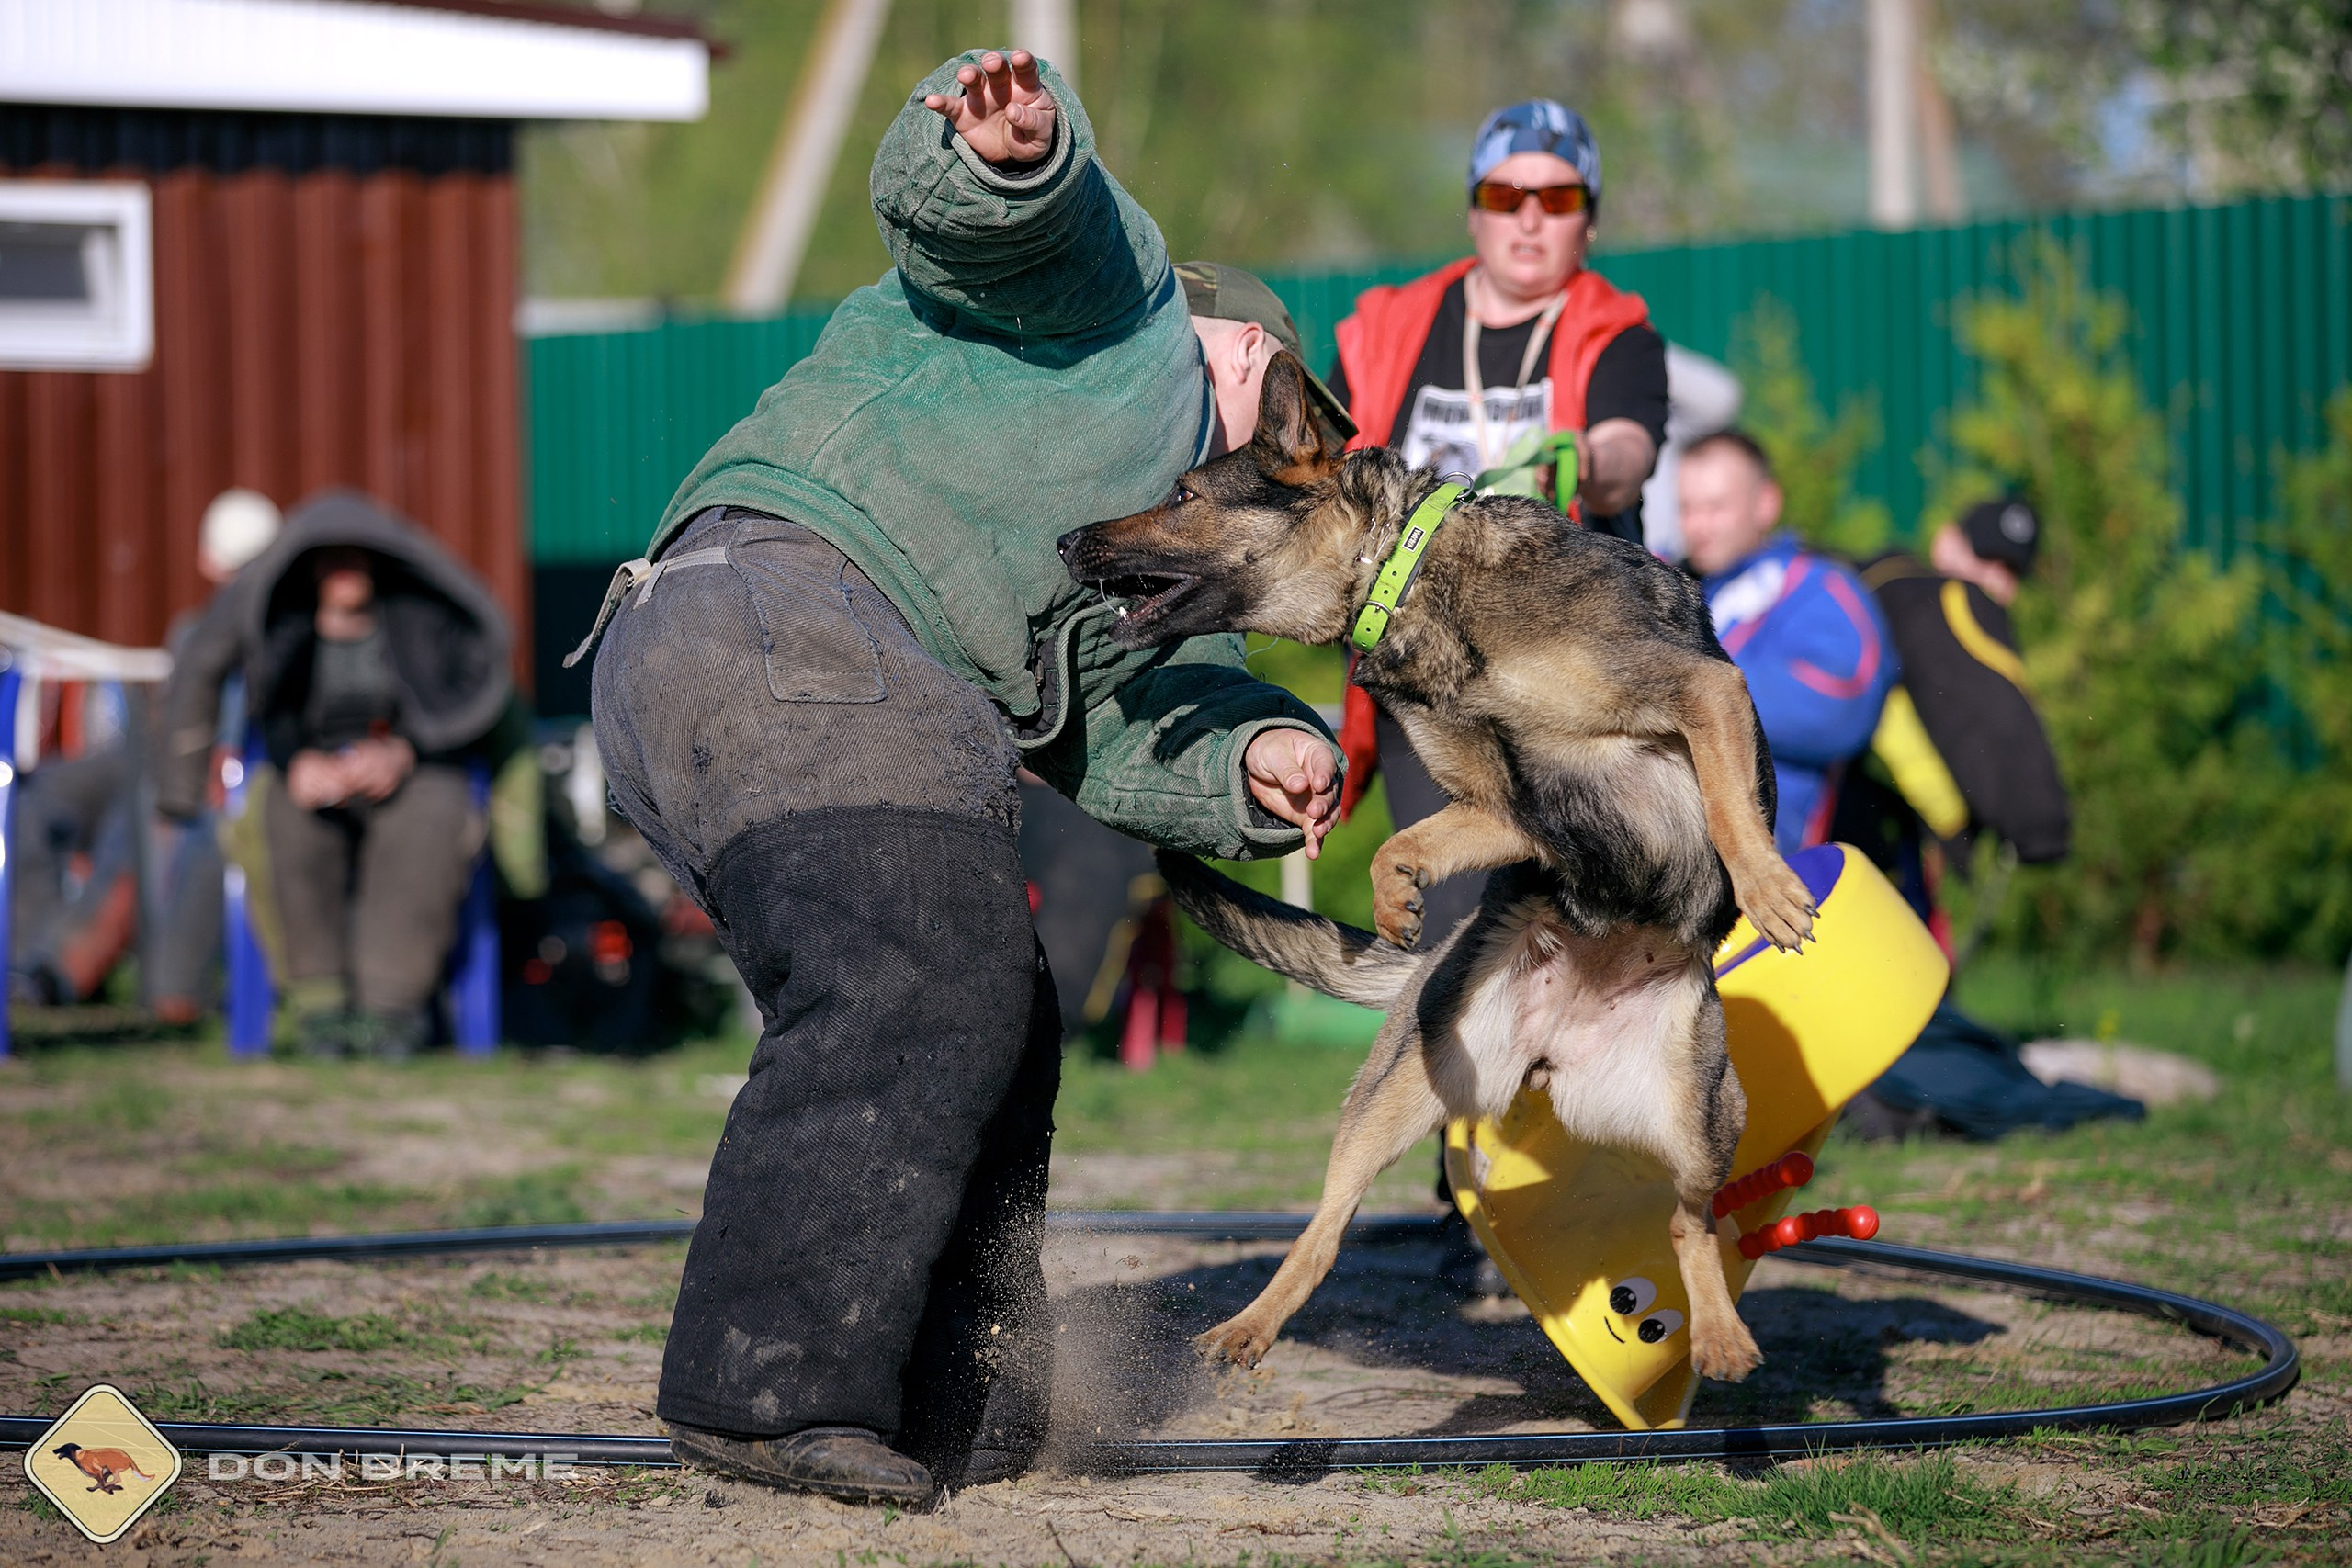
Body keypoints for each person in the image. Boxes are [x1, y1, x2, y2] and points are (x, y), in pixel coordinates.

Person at [577, 51, 1344, 1506]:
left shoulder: (1123, 553)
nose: (1280, 468)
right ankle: (768, 1386)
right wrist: (1009, 152)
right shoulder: (1128, 313)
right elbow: (1007, 223)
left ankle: (968, 1396)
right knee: (925, 965)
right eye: (1290, 423)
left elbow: (1107, 719)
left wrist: (1258, 751)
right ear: (1246, 352)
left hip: (754, 665)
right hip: (787, 609)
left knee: (992, 1000)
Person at [1329, 97, 1669, 947]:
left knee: (1587, 928)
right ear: (1473, 211)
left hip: (1567, 673)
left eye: (1556, 201)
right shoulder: (1389, 327)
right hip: (1425, 666)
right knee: (1463, 931)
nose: (1528, 218)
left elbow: (1632, 445)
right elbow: (1330, 474)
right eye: (1505, 193)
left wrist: (1587, 458)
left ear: (1588, 222)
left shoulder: (1617, 331)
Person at [160, 491, 512, 1059]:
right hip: (310, 765)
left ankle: (390, 1011)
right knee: (284, 817)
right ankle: (318, 1006)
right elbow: (227, 684)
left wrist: (406, 749)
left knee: (432, 814)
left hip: (409, 762)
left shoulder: (418, 613)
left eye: (357, 556)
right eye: (331, 560)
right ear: (310, 568)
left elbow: (474, 688)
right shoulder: (280, 619)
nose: (346, 571)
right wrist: (294, 760)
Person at [1679, 429, 1894, 853]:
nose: (1698, 526)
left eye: (1716, 507)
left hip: (1773, 845)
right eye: (1686, 509)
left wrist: (1688, 686)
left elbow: (1843, 701)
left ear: (1766, 504)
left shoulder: (1817, 588)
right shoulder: (1670, 581)